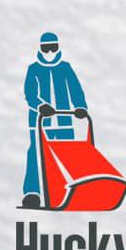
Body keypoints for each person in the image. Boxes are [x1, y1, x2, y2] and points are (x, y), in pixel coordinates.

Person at [21, 31, 87, 207]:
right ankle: (32, 193)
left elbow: (75, 89)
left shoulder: (65, 68)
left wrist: (80, 107)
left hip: (64, 121)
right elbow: (30, 93)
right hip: (40, 123)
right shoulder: (33, 69)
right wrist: (41, 106)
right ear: (41, 49)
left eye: (53, 47)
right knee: (36, 155)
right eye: (46, 48)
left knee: (67, 155)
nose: (50, 52)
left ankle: (68, 190)